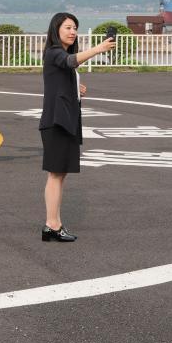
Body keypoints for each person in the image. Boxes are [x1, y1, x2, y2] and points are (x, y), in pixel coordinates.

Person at [39, 13, 115, 242]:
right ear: (56, 30)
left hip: (65, 121)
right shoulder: (54, 52)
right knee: (55, 174)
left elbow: (65, 72)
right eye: (68, 27)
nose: (73, 32)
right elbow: (70, 61)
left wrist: (76, 86)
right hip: (57, 122)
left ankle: (53, 223)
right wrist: (99, 48)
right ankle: (52, 225)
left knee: (59, 174)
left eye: (75, 28)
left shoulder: (61, 55)